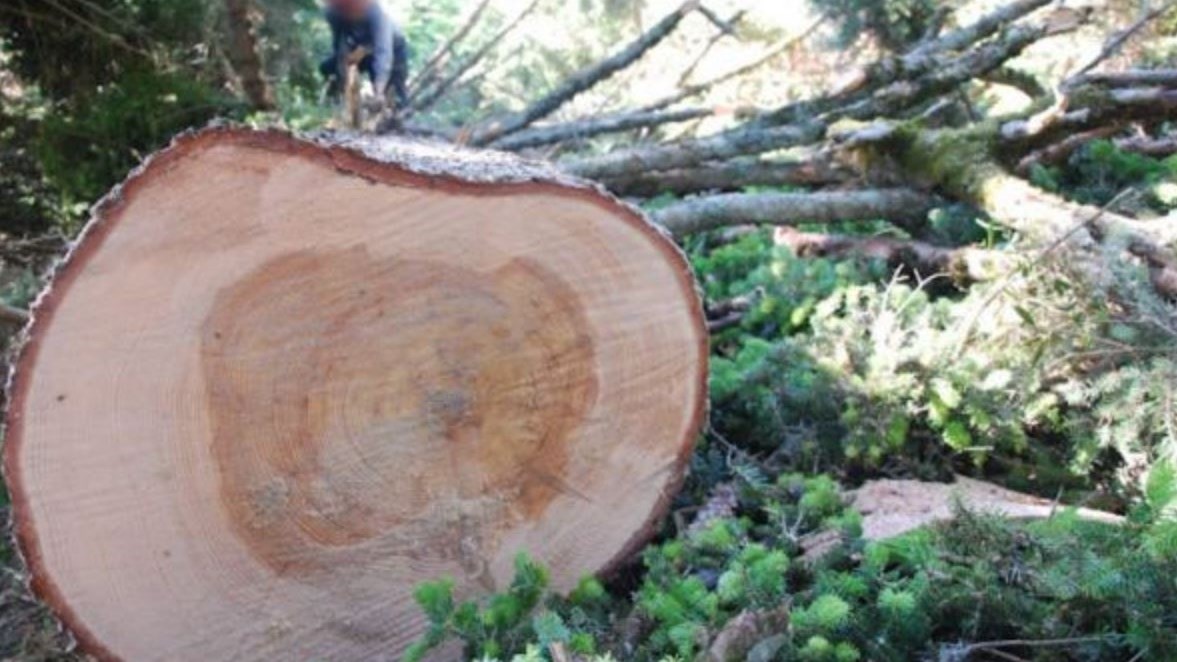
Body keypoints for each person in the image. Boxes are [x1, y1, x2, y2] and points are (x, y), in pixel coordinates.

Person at [320, 0, 410, 109]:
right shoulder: (333, 12)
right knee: (328, 67)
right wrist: (343, 77)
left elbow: (383, 51)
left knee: (394, 94)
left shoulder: (376, 12)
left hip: (392, 49)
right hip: (358, 48)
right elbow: (338, 45)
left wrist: (379, 90)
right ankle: (335, 104)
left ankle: (397, 114)